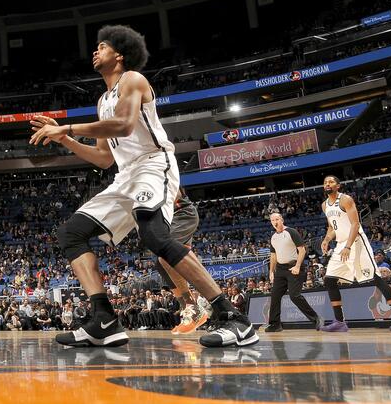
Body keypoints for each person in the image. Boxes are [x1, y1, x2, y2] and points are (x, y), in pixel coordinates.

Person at [30, 25, 258, 348]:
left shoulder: (133, 80)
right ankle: (104, 320)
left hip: (154, 164)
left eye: (102, 47)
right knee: (71, 233)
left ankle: (232, 317)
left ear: (120, 55)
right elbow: (103, 159)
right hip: (125, 174)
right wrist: (65, 138)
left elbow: (124, 125)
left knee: (154, 236)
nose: (95, 51)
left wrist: (68, 125)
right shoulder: (101, 101)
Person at [319, 175, 391, 332]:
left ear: (338, 186)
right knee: (329, 280)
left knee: (376, 278)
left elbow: (355, 224)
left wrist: (348, 246)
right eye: (325, 182)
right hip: (341, 244)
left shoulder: (345, 199)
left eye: (331, 181)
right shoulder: (325, 205)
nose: (328, 184)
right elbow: (332, 228)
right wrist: (326, 240)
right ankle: (340, 322)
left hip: (357, 242)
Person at [160, 190, 210, 336]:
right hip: (172, 219)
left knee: (166, 254)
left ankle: (193, 306)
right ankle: (188, 308)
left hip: (182, 214)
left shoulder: (162, 172)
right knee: (161, 261)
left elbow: (174, 194)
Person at [265, 211, 322, 332]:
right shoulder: (273, 237)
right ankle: (275, 324)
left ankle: (316, 318)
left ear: (282, 220)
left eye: (277, 219)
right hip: (280, 269)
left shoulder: (291, 232)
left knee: (294, 296)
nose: (275, 222)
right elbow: (273, 256)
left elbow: (302, 250)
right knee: (275, 296)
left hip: (294, 267)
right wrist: (271, 272)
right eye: (272, 220)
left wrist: (297, 266)